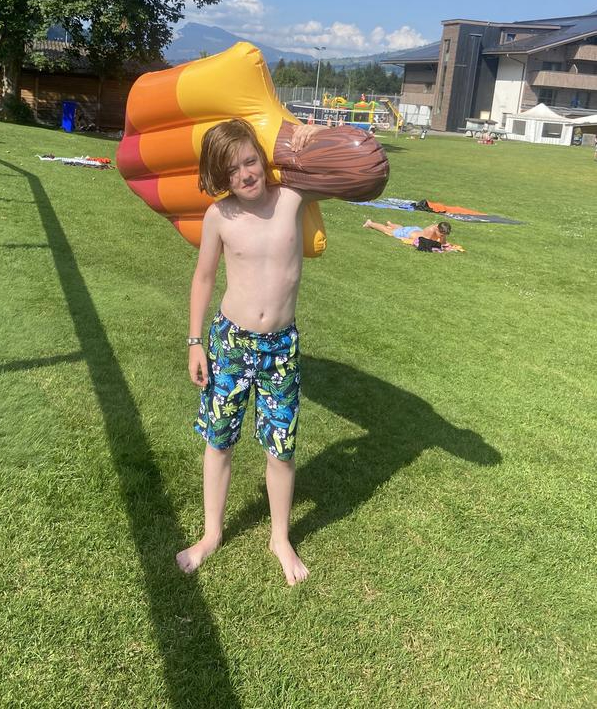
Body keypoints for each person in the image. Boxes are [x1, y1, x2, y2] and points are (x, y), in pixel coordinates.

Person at [176, 117, 326, 586]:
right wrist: (195, 343)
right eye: (231, 170)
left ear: (262, 157)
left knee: (281, 448)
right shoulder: (219, 216)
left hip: (281, 347)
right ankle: (212, 533)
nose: (245, 174)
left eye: (249, 161)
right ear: (219, 178)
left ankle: (280, 538)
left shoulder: (293, 198)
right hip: (230, 344)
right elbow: (204, 278)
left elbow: (344, 172)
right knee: (219, 440)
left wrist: (312, 137)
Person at [362, 218, 451, 243]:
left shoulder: (440, 230)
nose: (443, 236)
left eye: (444, 235)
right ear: (437, 228)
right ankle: (370, 223)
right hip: (408, 234)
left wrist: (442, 237)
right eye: (442, 234)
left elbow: (442, 243)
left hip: (416, 230)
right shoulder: (431, 230)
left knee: (402, 228)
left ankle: (391, 225)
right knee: (387, 231)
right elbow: (424, 243)